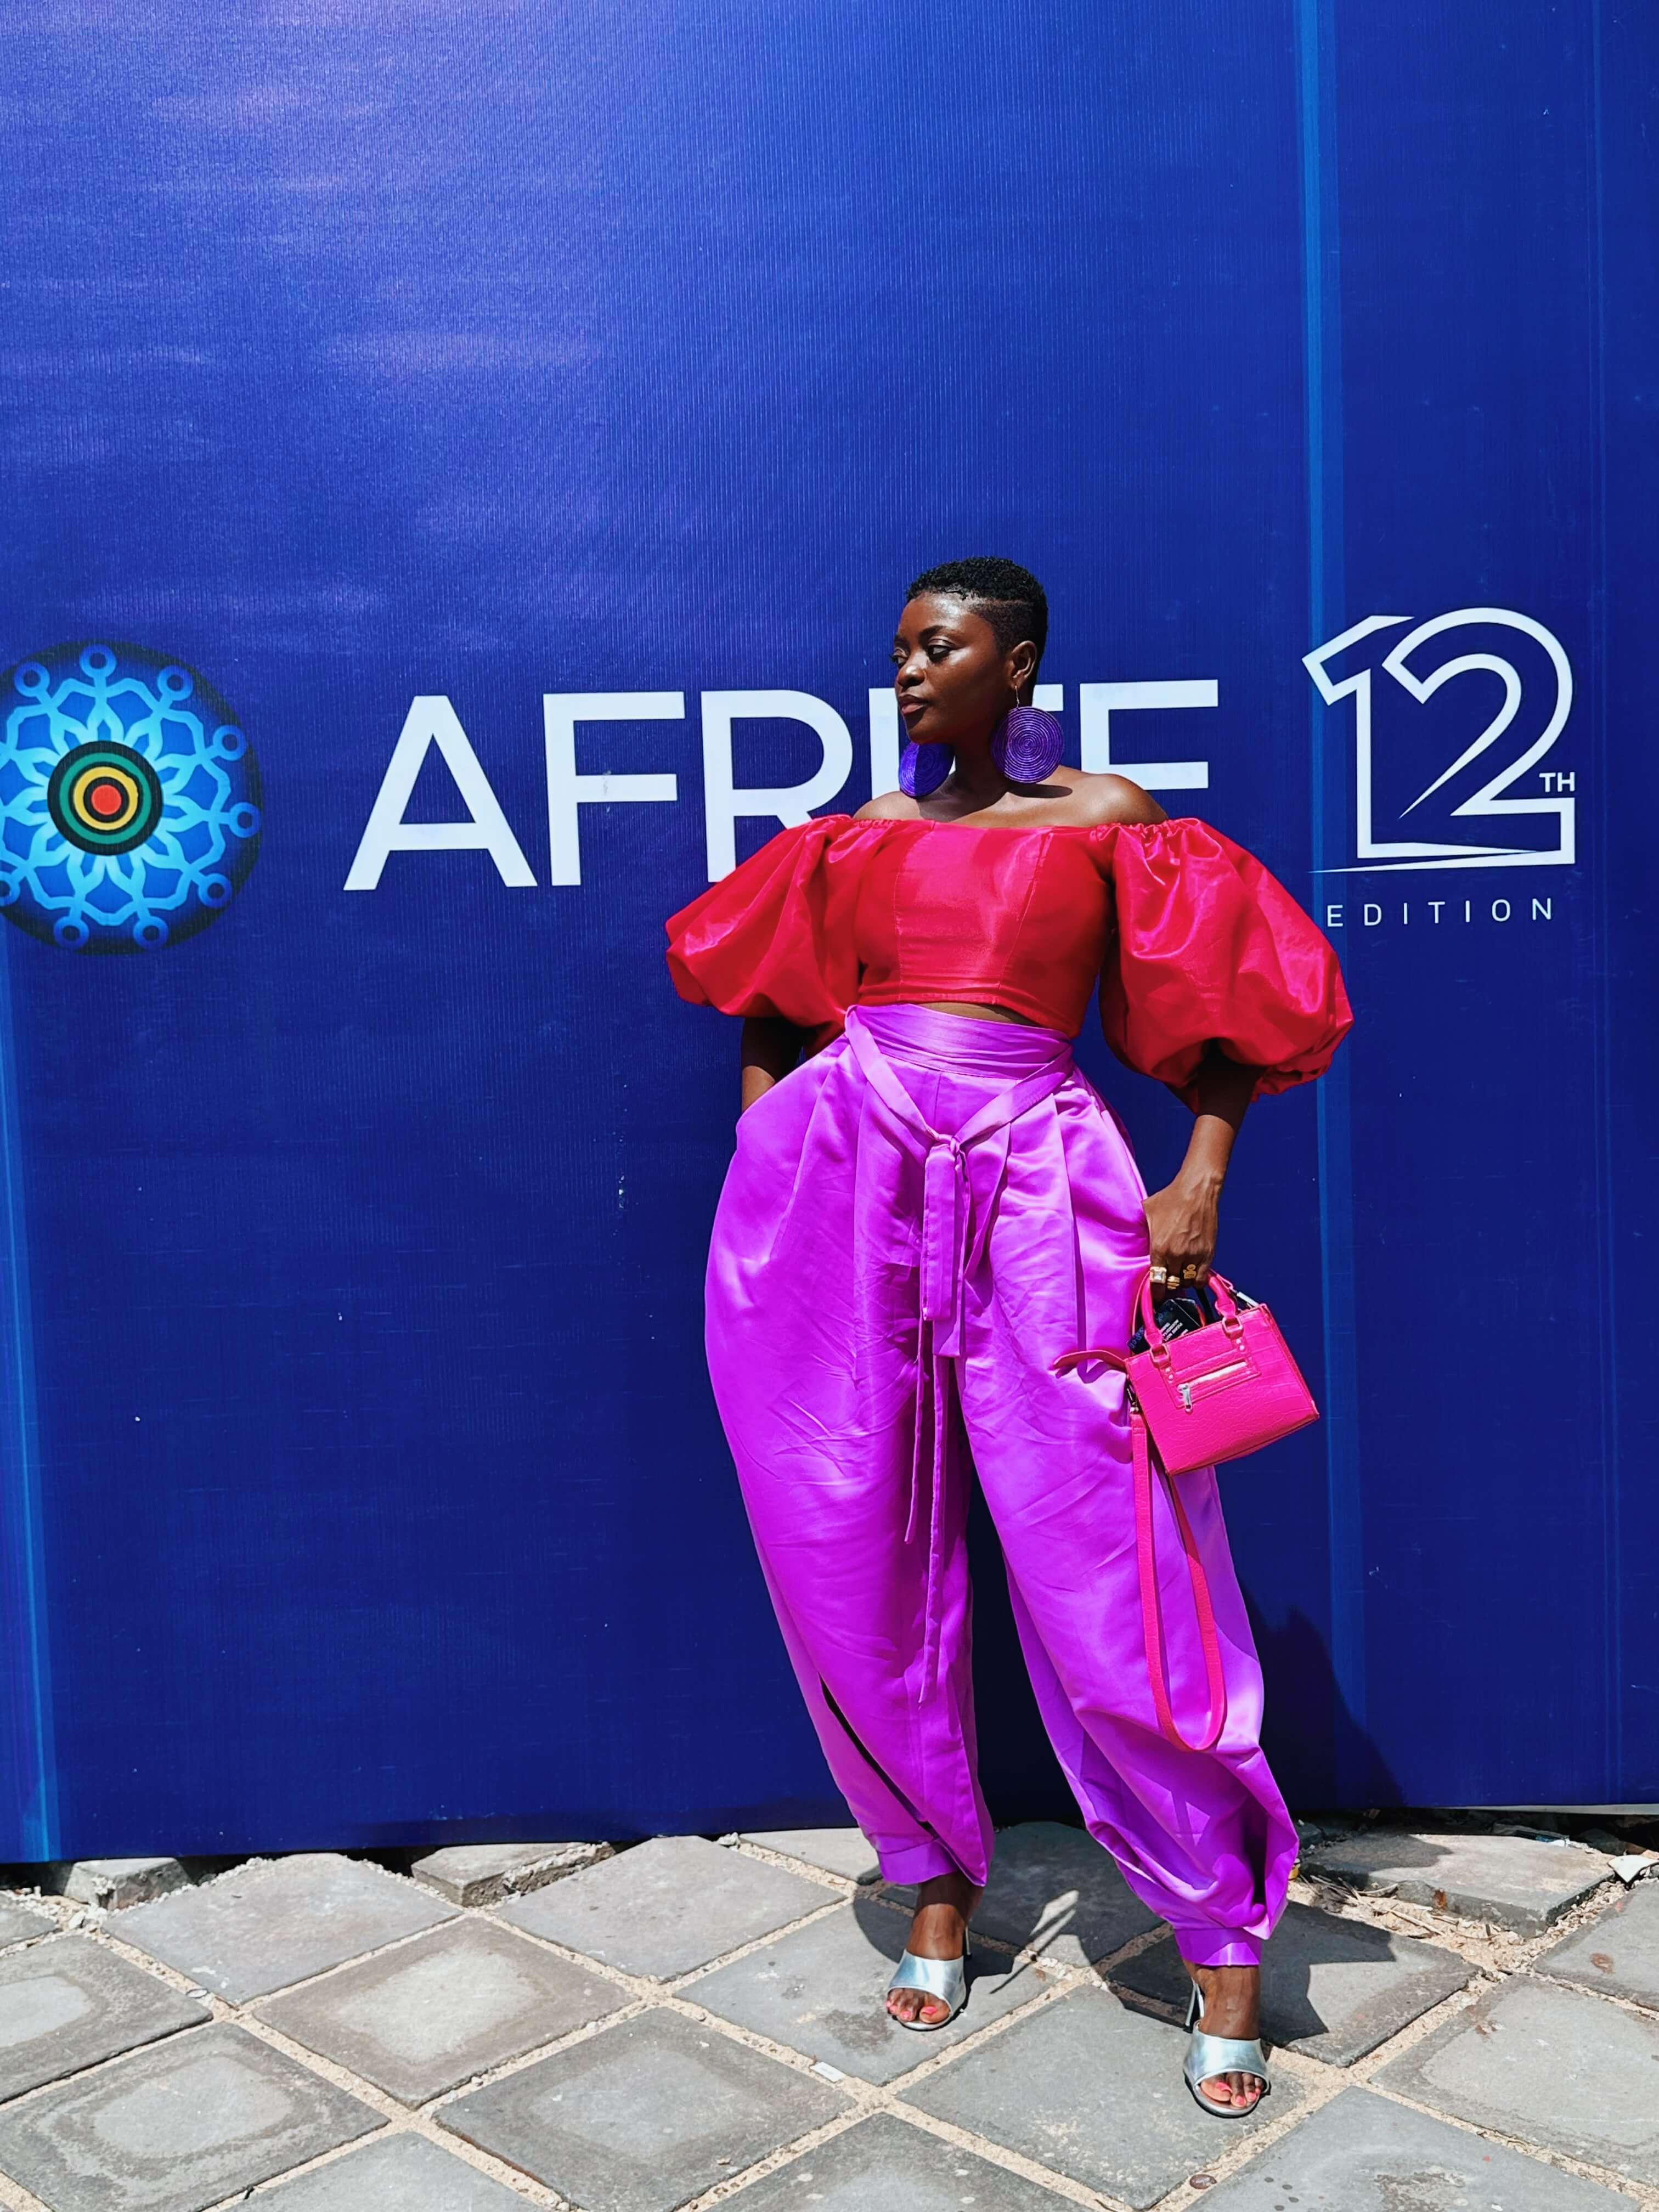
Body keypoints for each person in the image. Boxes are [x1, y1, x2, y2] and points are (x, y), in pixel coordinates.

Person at [665, 558, 1351, 2117]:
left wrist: (1199, 1177)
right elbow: (771, 1002)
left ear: (1017, 660)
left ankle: (1221, 1936)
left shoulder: (1111, 821)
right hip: (850, 1177)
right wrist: (772, 1143)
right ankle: (929, 1879)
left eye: (939, 645)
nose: (908, 671)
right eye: (900, 650)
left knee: (1120, 1553)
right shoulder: (862, 832)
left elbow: (1232, 1018)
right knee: (845, 1535)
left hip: (1043, 1174)